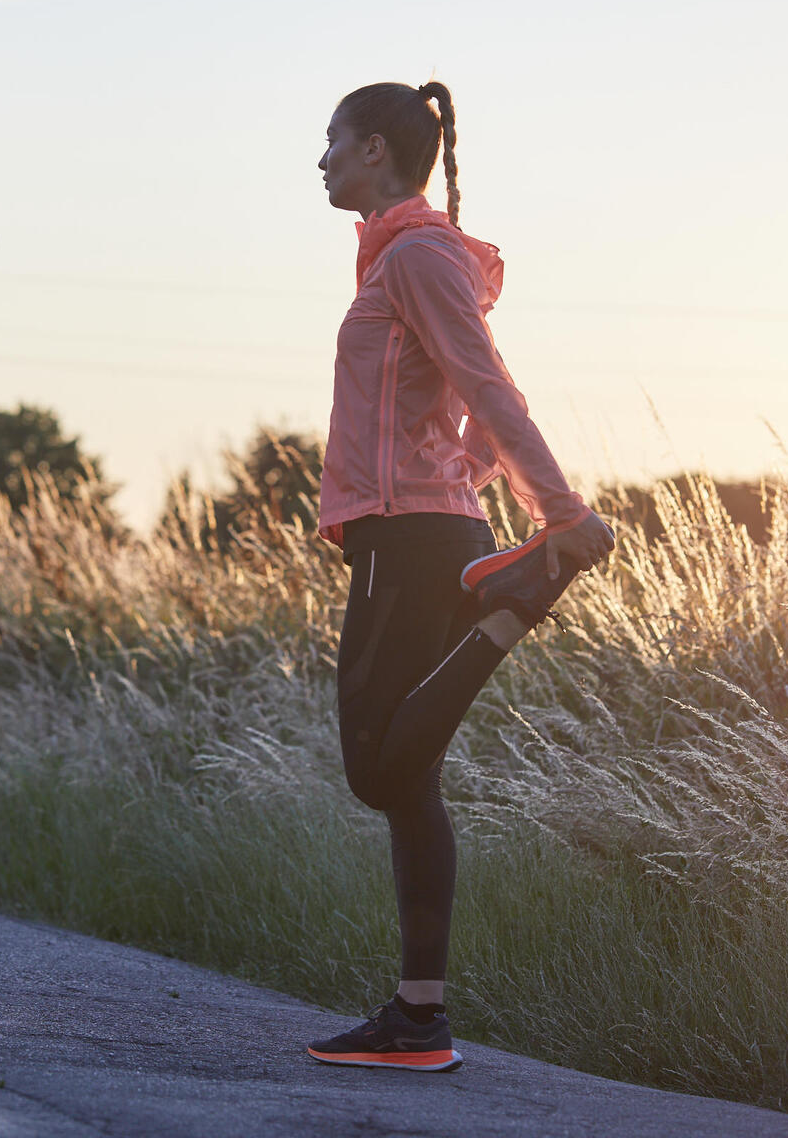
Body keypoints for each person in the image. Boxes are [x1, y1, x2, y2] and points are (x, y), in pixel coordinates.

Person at [305, 82, 616, 1071]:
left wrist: (559, 518)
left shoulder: (416, 256)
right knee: (411, 784)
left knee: (375, 764)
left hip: (413, 540)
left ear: (377, 151)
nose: (319, 162)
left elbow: (489, 389)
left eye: (332, 144)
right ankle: (419, 1016)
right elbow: (482, 397)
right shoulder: (408, 259)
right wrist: (468, 471)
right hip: (423, 529)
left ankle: (514, 603)